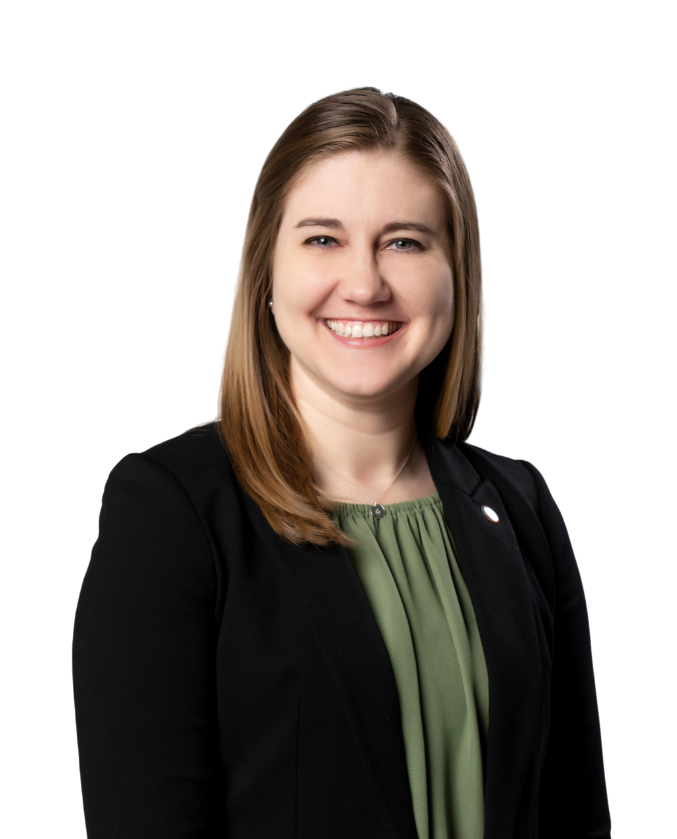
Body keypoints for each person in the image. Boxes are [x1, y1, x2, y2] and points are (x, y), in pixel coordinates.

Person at [72, 87, 612, 839]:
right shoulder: (172, 514)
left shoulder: (520, 508)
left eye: (405, 241)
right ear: (267, 270)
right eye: (323, 240)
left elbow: (576, 818)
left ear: (458, 273)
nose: (364, 283)